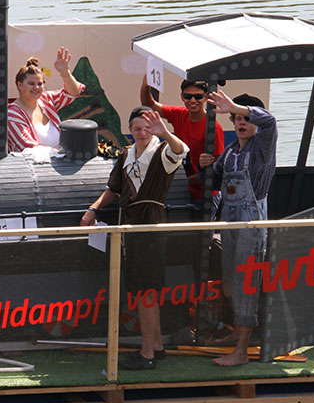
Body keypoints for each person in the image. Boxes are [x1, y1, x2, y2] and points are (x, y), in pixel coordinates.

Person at [80, 107, 188, 370]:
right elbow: (114, 188)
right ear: (130, 130)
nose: (142, 133)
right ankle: (158, 345)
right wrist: (93, 209)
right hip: (130, 224)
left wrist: (165, 134)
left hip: (151, 223)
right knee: (142, 289)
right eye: (137, 128)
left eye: (147, 128)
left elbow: (180, 151)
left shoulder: (162, 152)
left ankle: (147, 352)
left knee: (147, 291)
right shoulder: (126, 154)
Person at [207, 91, 277, 366]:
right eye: (235, 119)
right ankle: (236, 332)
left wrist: (235, 106)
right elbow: (216, 176)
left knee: (246, 284)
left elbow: (270, 121)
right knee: (228, 282)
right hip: (228, 220)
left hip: (250, 223)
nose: (240, 122)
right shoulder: (231, 151)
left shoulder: (262, 148)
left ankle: (242, 352)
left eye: (245, 118)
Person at [140, 77, 225, 202]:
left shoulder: (214, 128)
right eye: (188, 96)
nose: (193, 100)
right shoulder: (180, 114)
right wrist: (146, 84)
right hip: (181, 191)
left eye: (198, 96)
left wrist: (179, 182)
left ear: (206, 97)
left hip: (204, 196)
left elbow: (217, 167)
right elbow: (149, 105)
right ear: (182, 96)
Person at [7, 48, 85, 152]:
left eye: (40, 84)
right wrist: (61, 154)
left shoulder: (45, 99)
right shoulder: (12, 114)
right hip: (31, 167)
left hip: (59, 164)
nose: (37, 87)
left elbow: (73, 93)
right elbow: (27, 146)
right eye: (31, 84)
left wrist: (65, 73)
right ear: (19, 85)